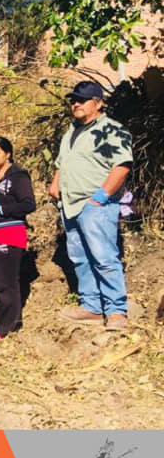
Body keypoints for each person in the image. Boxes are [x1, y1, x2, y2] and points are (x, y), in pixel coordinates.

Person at [51, 81, 133, 331]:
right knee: (80, 258)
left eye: (82, 99)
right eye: (73, 99)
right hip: (70, 204)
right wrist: (55, 184)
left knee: (103, 257)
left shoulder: (112, 130)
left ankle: (116, 310)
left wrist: (101, 195)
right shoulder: (71, 132)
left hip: (95, 204)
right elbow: (61, 163)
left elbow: (122, 165)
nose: (75, 103)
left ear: (98, 103)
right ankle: (92, 307)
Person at [0, 137, 36, 346]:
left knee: (5, 282)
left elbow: (29, 204)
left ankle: (6, 327)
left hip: (8, 233)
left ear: (7, 154)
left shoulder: (18, 176)